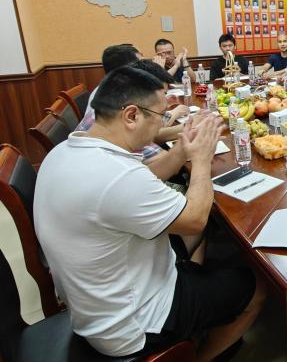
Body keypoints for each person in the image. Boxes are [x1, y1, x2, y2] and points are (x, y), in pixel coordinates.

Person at [34, 67, 265, 359]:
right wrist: (201, 160)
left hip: (96, 300)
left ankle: (196, 295)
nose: (162, 124)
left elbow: (144, 177)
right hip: (133, 323)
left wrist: (182, 150)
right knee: (258, 287)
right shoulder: (116, 176)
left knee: (199, 237)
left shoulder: (66, 151)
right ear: (131, 115)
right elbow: (195, 219)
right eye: (160, 115)